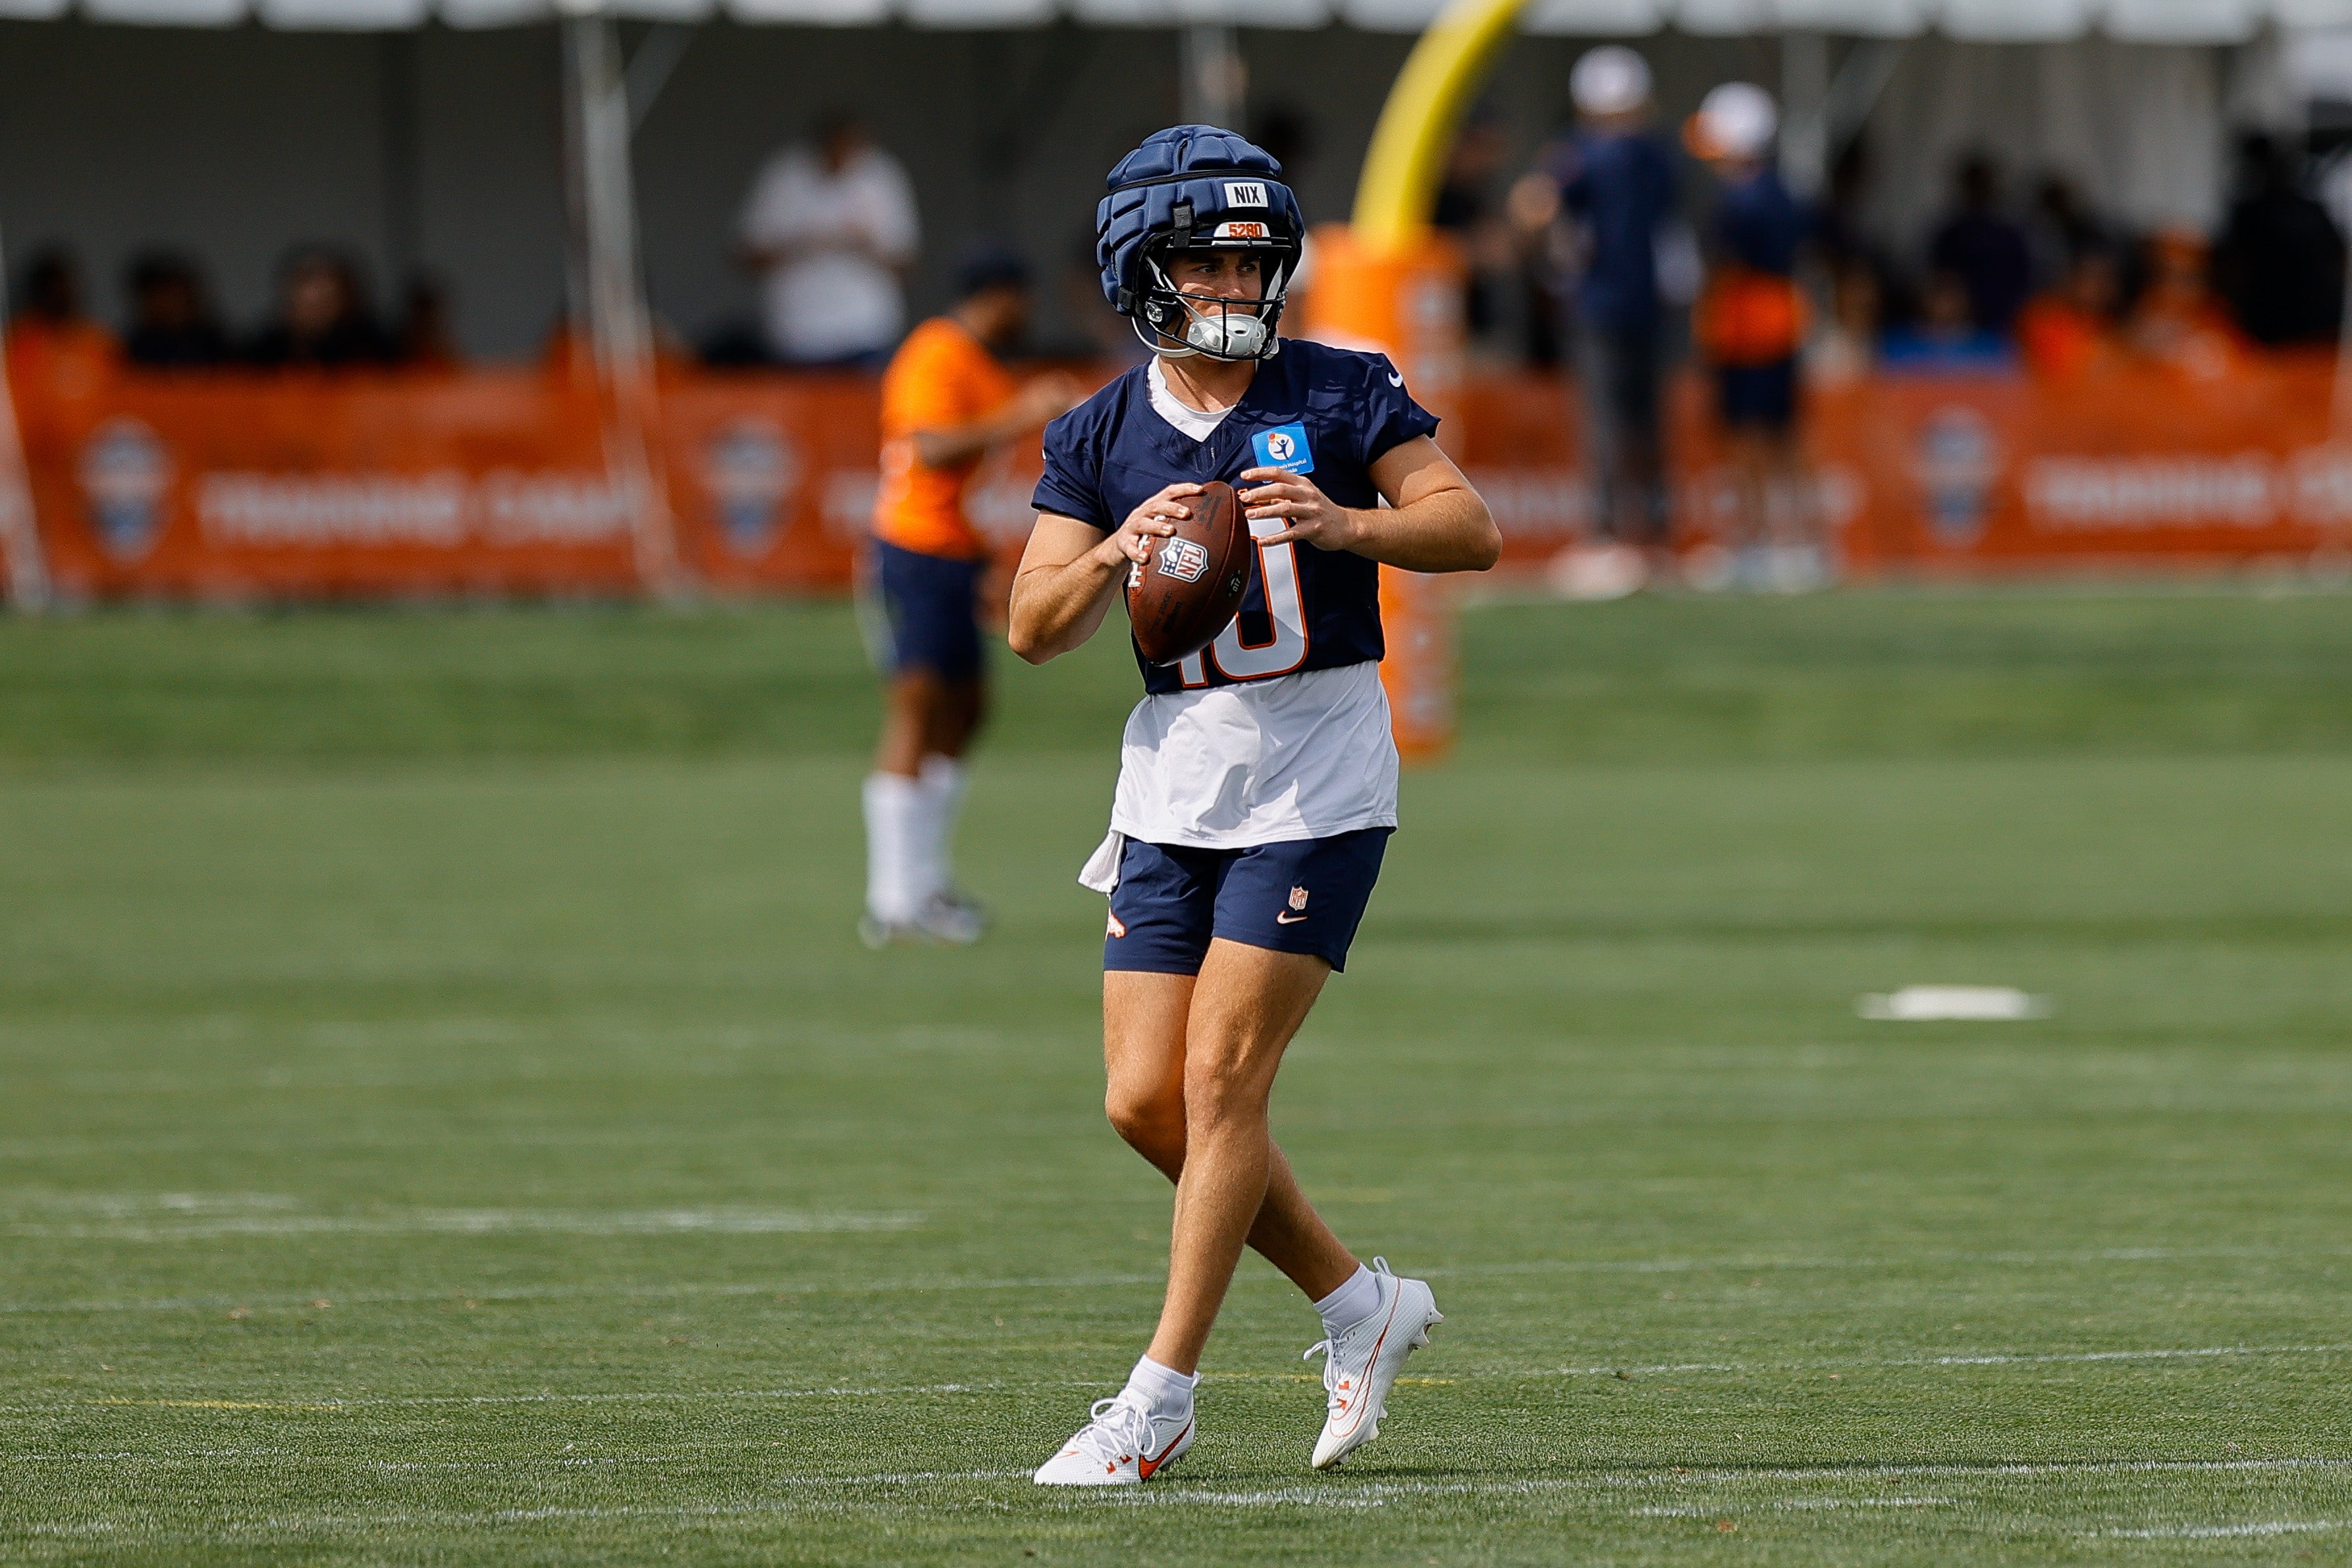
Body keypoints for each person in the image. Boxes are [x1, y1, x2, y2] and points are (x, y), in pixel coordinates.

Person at [1007, 124, 1499, 1486]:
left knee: (1223, 1085)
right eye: (1206, 258)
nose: (1236, 281)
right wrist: (1115, 548)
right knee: (1142, 1104)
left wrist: (1348, 526)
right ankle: (1360, 1305)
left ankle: (1159, 1396)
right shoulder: (1099, 433)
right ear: (1140, 270)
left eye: (1252, 257)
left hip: (1318, 771)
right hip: (1174, 776)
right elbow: (1031, 628)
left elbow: (1471, 528)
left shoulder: (1341, 392)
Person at [859, 248, 1080, 947]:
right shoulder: (937, 352)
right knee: (918, 706)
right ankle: (891, 896)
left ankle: (924, 883)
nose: (1028, 315)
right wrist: (1019, 414)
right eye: (1021, 299)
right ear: (996, 295)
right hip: (913, 548)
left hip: (953, 551)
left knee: (966, 710)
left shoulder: (981, 363)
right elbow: (925, 450)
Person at [1510, 47, 1680, 568]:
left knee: (1604, 424)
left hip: (1597, 304)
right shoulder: (1657, 155)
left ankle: (1607, 535)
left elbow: (1534, 207)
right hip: (1647, 302)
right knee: (1648, 423)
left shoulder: (1581, 154)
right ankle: (1654, 533)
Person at [1688, 82, 1820, 590]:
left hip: (1747, 328)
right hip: (1778, 321)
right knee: (1784, 436)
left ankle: (1756, 543)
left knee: (1748, 439)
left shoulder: (1741, 198)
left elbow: (1724, 266)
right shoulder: (1783, 190)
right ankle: (1803, 543)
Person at [738, 110, 919, 369]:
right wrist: (805, 241)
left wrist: (861, 242)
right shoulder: (785, 174)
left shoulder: (881, 175)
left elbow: (905, 263)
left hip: (867, 330)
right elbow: (748, 256)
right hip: (795, 331)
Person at [2211, 133, 2345, 348]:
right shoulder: (2313, 210)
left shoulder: (2249, 215)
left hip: (2269, 326)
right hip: (2321, 322)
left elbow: (2227, 267)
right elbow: (2338, 257)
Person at [1928, 154, 2033, 337]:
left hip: (2004, 324)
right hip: (1953, 328)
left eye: (1982, 184)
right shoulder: (1951, 235)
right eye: (1973, 184)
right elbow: (1941, 281)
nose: (1979, 190)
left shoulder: (2009, 235)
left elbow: (2024, 283)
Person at [244, 249, 392, 369]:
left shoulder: (370, 352)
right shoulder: (263, 353)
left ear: (347, 301)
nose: (316, 314)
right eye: (308, 306)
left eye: (326, 302)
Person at [5, 248, 117, 402]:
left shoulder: (97, 340)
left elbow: (116, 392)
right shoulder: (18, 341)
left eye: (64, 288)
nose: (59, 295)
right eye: (51, 290)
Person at [1879, 270, 2018, 374]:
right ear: (1922, 299)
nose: (1945, 305)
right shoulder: (1897, 344)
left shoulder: (1991, 346)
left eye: (1952, 297)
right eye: (1939, 296)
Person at [122, 252, 229, 369]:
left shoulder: (223, 349)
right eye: (158, 294)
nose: (167, 304)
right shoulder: (125, 355)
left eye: (174, 294)